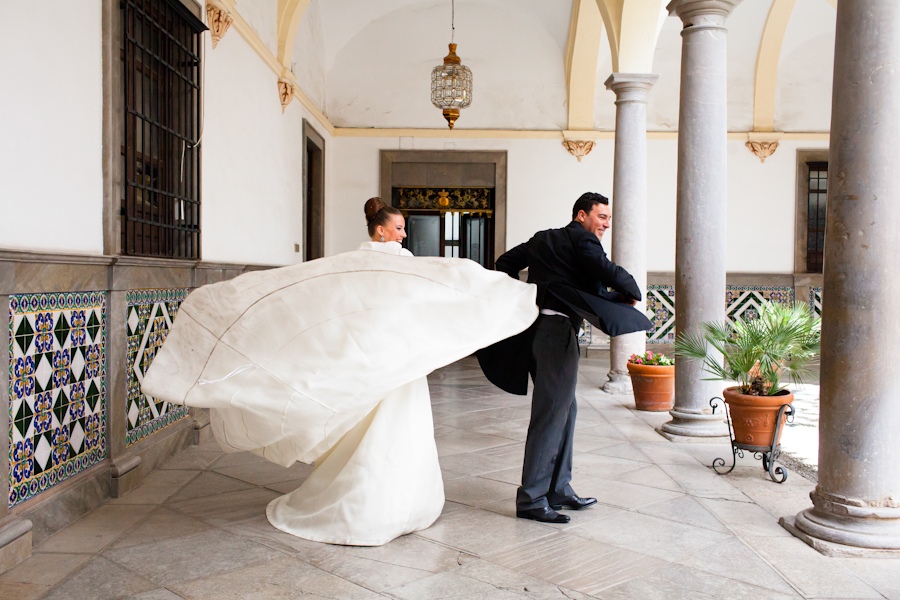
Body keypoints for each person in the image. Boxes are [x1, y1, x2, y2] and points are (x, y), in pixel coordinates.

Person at [142, 196, 538, 545]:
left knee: (385, 429)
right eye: (398, 228)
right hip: (390, 360)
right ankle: (384, 506)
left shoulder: (364, 265)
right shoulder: (387, 264)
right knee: (389, 429)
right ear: (380, 231)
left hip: (388, 361)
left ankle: (383, 503)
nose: (404, 235)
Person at [481, 192, 651, 524]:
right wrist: (631, 290)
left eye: (608, 219)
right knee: (551, 414)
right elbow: (604, 269)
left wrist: (526, 296)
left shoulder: (544, 239)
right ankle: (532, 498)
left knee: (565, 409)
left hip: (535, 330)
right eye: (601, 217)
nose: (605, 224)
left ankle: (558, 488)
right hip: (557, 334)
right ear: (581, 215)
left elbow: (505, 263)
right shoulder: (583, 240)